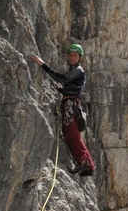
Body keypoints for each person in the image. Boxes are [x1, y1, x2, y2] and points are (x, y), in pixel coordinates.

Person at [31, 44, 95, 176]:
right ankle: (87, 166)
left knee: (72, 134)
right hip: (70, 103)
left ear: (79, 58)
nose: (71, 57)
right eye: (70, 55)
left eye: (75, 55)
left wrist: (42, 64)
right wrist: (60, 90)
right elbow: (72, 89)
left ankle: (84, 161)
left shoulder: (78, 70)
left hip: (71, 106)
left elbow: (62, 78)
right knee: (70, 134)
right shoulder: (76, 70)